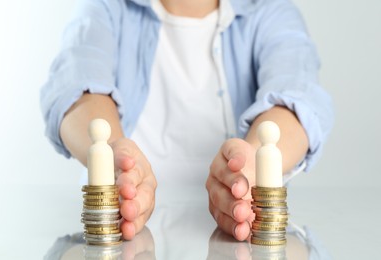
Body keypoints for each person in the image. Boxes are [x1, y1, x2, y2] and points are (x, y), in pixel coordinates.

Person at [40, 0, 333, 242]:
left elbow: (297, 95)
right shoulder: (105, 7)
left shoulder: (272, 12)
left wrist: (251, 166)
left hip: (238, 238)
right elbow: (76, 83)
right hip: (125, 237)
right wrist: (114, 156)